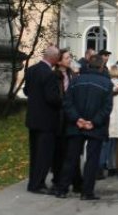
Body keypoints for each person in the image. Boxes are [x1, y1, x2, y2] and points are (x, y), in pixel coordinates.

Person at [53, 55, 113, 200]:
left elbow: (67, 103)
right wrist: (93, 122)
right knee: (92, 160)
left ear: (87, 65)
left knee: (71, 158)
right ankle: (87, 192)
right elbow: (107, 107)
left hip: (76, 125)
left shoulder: (75, 81)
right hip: (95, 127)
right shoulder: (107, 83)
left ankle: (62, 189)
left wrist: (77, 119)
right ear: (101, 67)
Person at [23, 45, 62, 194]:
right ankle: (37, 184)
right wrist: (62, 101)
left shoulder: (32, 70)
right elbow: (51, 98)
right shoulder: (49, 74)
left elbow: (27, 91)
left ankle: (33, 181)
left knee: (34, 153)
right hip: (47, 120)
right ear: (53, 58)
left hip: (33, 118)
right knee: (44, 154)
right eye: (57, 57)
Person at [51, 49, 82, 193]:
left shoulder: (72, 74)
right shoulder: (54, 75)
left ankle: (76, 181)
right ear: (59, 61)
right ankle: (58, 180)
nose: (70, 60)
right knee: (60, 152)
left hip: (71, 117)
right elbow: (57, 96)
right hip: (59, 118)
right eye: (67, 57)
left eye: (70, 57)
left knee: (72, 151)